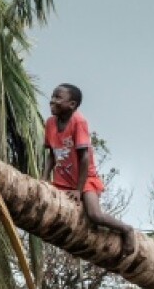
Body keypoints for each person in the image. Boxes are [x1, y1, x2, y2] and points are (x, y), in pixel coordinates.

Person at [42, 84, 135, 255]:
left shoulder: (78, 121)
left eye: (58, 98)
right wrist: (44, 179)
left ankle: (126, 230)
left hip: (84, 180)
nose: (52, 101)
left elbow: (84, 157)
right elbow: (51, 155)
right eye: (53, 97)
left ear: (72, 105)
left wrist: (78, 190)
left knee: (94, 215)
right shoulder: (49, 123)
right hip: (62, 181)